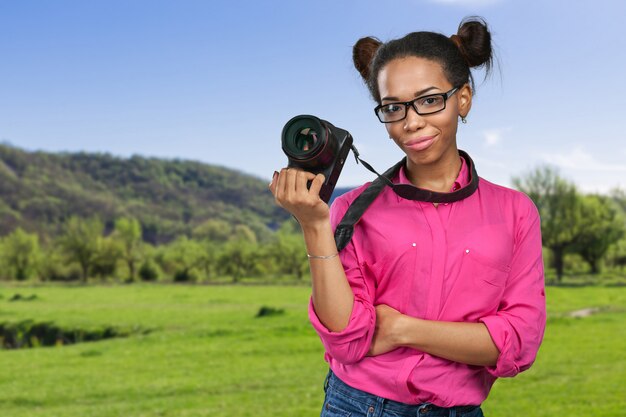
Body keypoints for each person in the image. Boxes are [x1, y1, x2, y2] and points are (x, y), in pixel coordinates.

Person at [269, 16, 546, 417]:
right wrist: (314, 225)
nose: (411, 122)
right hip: (357, 406)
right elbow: (347, 341)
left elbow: (518, 342)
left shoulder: (516, 213)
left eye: (430, 100)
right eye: (393, 107)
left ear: (463, 98)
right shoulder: (349, 211)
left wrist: (401, 329)